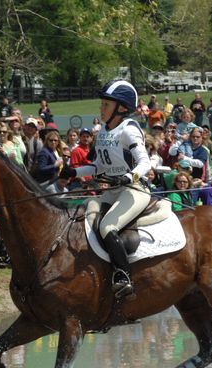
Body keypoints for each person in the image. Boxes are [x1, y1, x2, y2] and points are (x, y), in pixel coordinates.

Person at [68, 80, 151, 299]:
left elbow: (145, 163)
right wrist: (74, 172)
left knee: (107, 226)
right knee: (84, 218)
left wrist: (128, 176)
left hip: (134, 190)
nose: (101, 109)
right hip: (112, 190)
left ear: (121, 108)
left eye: (106, 104)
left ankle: (124, 277)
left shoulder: (129, 130)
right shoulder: (103, 131)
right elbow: (98, 167)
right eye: (102, 104)